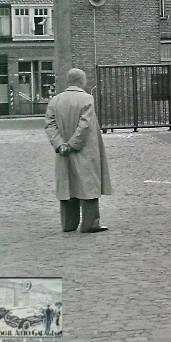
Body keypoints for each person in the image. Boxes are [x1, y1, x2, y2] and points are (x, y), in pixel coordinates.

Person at [44, 68, 112, 233]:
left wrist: (61, 145)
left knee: (68, 185)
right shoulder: (87, 99)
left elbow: (50, 125)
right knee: (88, 184)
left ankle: (69, 223)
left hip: (63, 152)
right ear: (82, 80)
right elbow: (85, 125)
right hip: (84, 150)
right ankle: (90, 223)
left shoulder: (55, 100)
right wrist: (73, 144)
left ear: (68, 81)